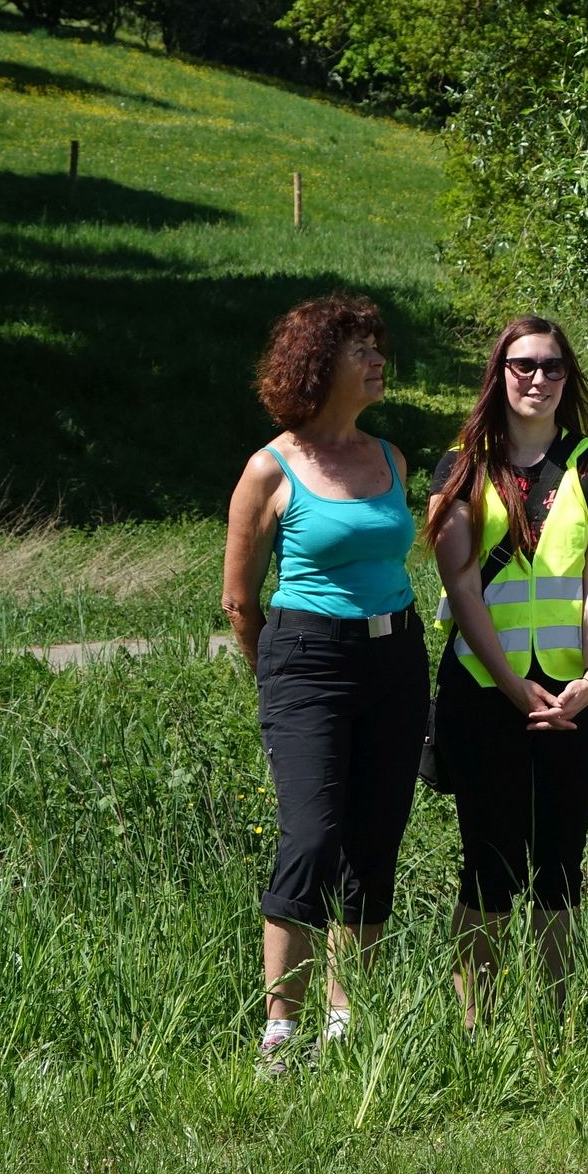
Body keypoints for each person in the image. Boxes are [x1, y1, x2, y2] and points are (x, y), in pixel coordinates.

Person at [221, 295, 425, 1075]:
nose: (377, 360)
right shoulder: (270, 468)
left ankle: (350, 1019)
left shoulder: (391, 458)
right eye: (359, 350)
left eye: (378, 347)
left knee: (376, 839)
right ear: (318, 365)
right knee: (311, 837)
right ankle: (283, 1028)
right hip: (306, 660)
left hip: (397, 658)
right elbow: (239, 600)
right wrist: (275, 679)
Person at [425, 317, 588, 1026]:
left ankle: (554, 1026)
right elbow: (462, 589)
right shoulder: (460, 466)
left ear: (567, 377)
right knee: (488, 862)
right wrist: (515, 689)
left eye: (550, 367)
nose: (536, 379)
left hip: (577, 693)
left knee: (560, 864)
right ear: (498, 373)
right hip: (485, 693)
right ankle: (476, 1029)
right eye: (521, 366)